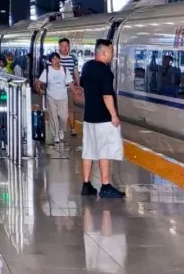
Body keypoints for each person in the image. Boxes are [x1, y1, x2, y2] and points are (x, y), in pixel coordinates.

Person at [79, 39, 125, 199]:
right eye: (111, 52)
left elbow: (83, 86)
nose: (112, 55)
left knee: (88, 151)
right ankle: (105, 185)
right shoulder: (105, 71)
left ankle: (86, 185)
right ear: (104, 52)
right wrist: (113, 115)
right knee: (104, 151)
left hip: (88, 117)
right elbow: (106, 95)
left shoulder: (87, 67)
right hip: (103, 118)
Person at [37, 52, 71, 148]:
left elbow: (70, 82)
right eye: (53, 59)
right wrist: (39, 89)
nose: (56, 60)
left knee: (64, 117)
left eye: (57, 58)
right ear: (50, 61)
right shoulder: (47, 70)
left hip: (63, 96)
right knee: (53, 116)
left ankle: (61, 129)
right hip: (51, 96)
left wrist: (76, 91)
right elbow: (39, 82)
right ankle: (56, 135)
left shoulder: (64, 69)